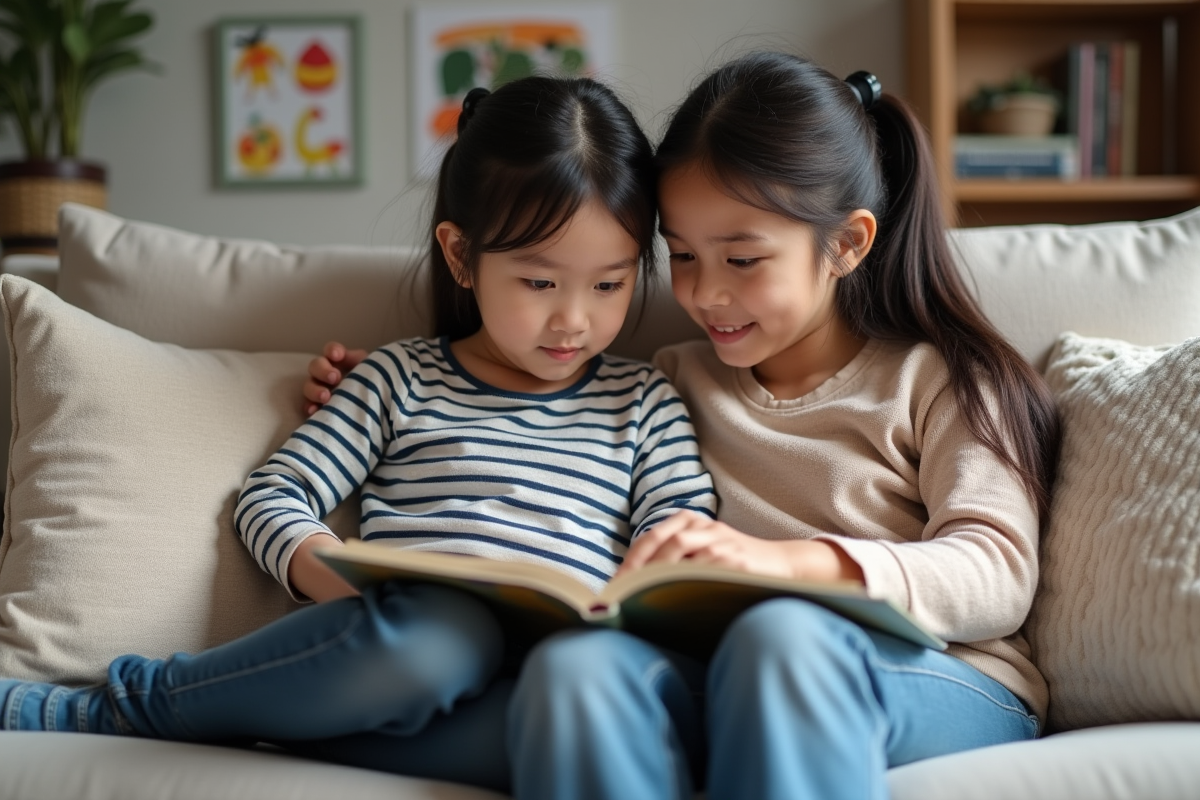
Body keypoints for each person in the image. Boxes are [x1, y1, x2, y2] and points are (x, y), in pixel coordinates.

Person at [304, 52, 1061, 799]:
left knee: (781, 636)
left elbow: (995, 572)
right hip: (728, 672)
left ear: (847, 243)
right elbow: (542, 405)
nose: (706, 293)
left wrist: (787, 567)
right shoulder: (670, 380)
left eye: (742, 258)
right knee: (575, 668)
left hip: (937, 678)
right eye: (684, 256)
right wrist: (404, 383)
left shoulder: (943, 381)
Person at [0, 76, 716, 793]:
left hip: (545, 690)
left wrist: (643, 588)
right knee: (445, 639)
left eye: (609, 285)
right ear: (462, 256)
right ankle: (135, 706)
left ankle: (274, 724)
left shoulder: (645, 401)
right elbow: (275, 495)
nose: (573, 320)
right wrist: (333, 576)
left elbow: (680, 533)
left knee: (586, 705)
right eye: (539, 283)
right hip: (405, 651)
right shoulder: (398, 379)